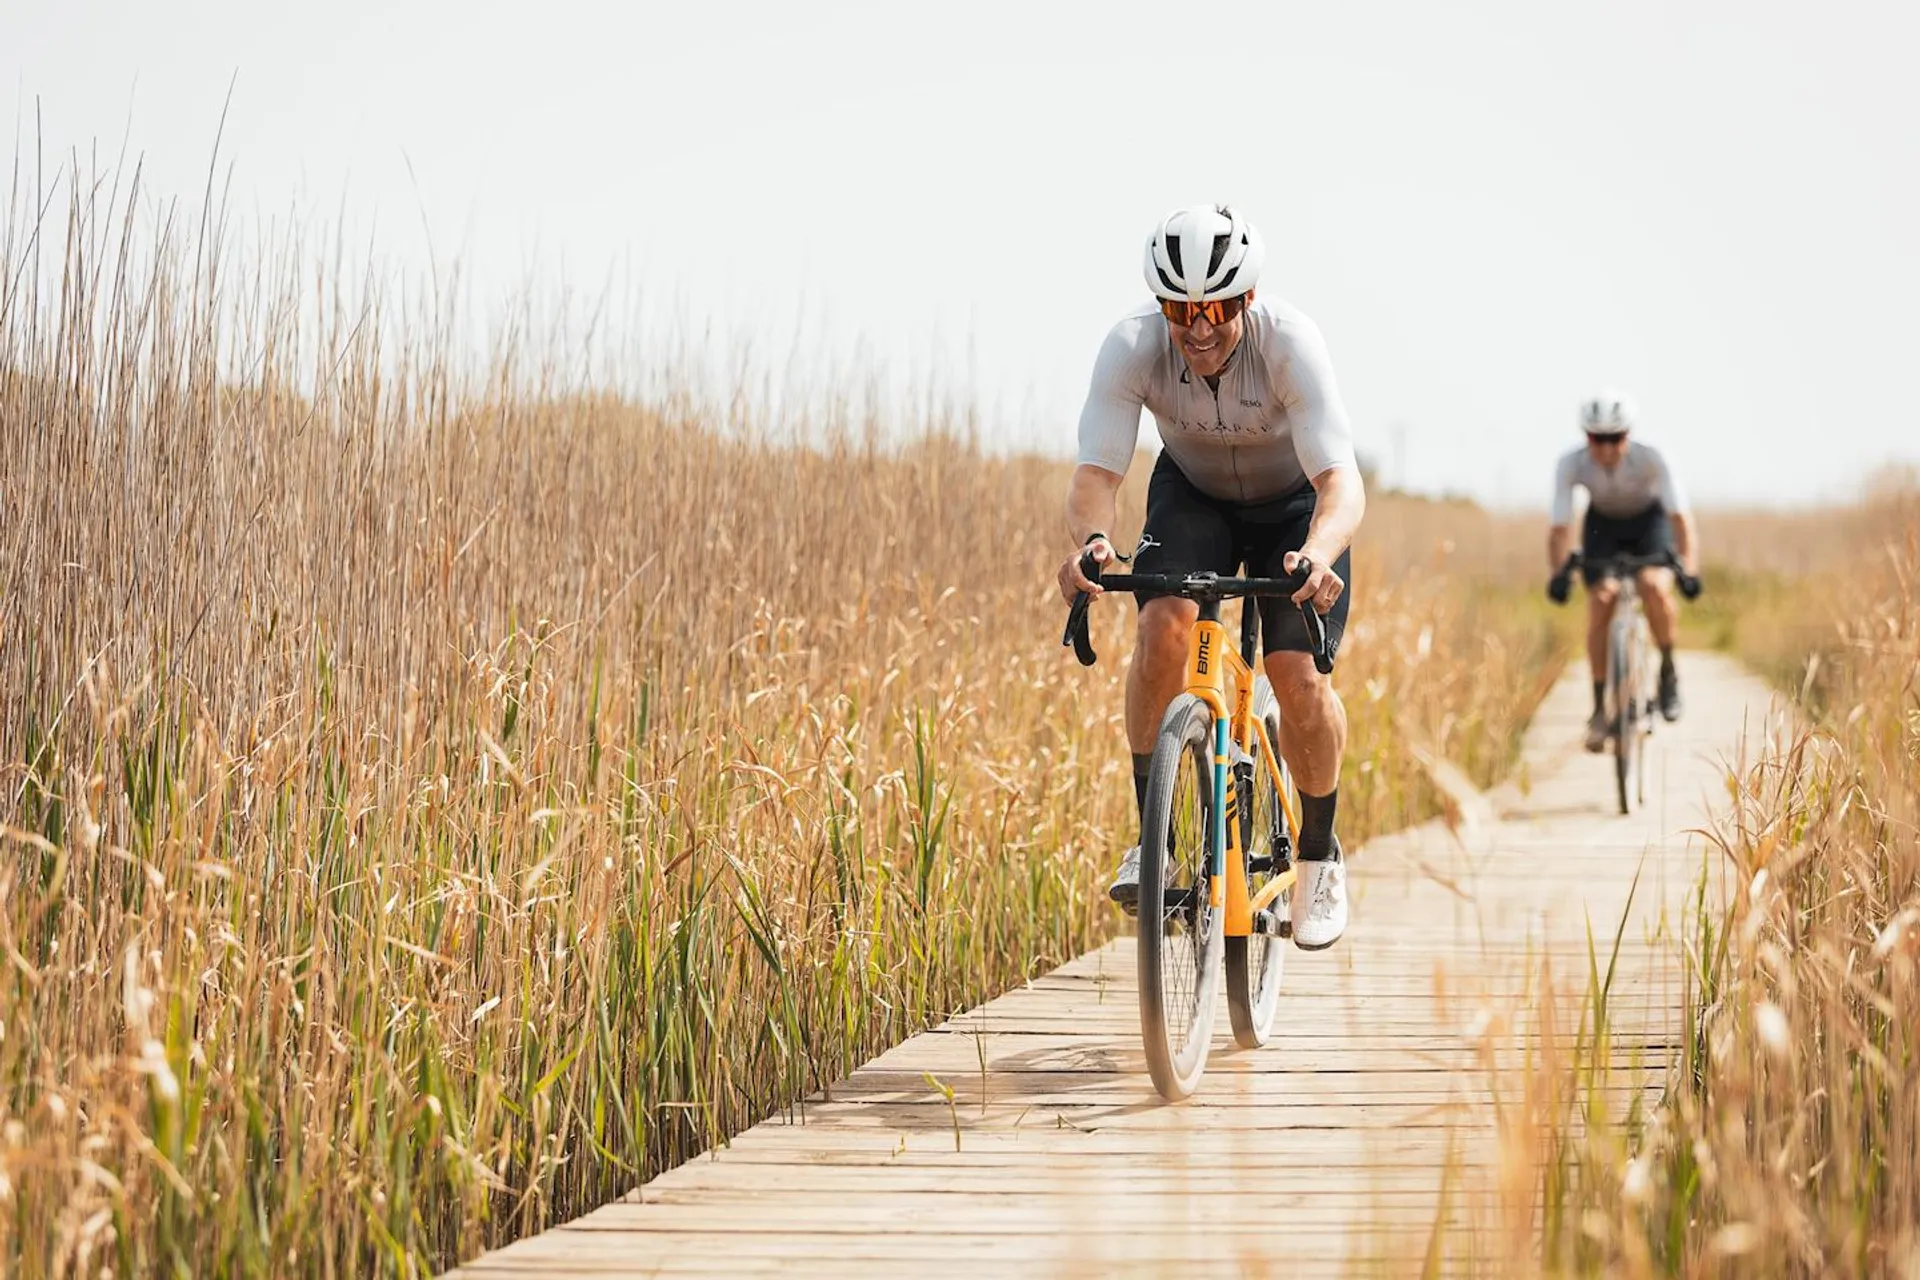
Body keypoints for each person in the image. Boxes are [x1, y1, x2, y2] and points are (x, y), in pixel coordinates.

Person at [1054, 204, 1365, 951]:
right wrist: (1095, 543)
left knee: (1296, 676)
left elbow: (1341, 481)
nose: (1198, 328)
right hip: (1194, 497)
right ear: (1161, 306)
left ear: (1246, 300)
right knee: (1162, 628)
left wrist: (1320, 552)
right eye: (1181, 310)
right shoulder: (1131, 347)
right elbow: (1096, 474)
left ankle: (1320, 855)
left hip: (1293, 509)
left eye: (1218, 309)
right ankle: (1153, 841)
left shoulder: (1290, 344)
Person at [1545, 391, 1700, 752]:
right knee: (1601, 599)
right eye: (1598, 439)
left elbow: (1680, 519)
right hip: (1603, 528)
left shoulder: (1652, 457)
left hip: (1650, 523)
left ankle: (1667, 671)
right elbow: (1559, 527)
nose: (1607, 448)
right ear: (1587, 438)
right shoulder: (1571, 464)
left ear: (1627, 435)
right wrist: (1557, 573)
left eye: (1615, 438)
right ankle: (1599, 709)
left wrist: (1688, 570)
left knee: (1653, 587)